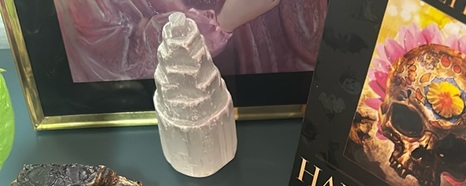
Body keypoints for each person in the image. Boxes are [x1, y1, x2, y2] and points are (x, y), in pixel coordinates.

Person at [53, 0, 327, 82]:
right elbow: (111, 58)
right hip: (166, 123)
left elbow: (316, 38)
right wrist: (220, 24)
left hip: (274, 103)